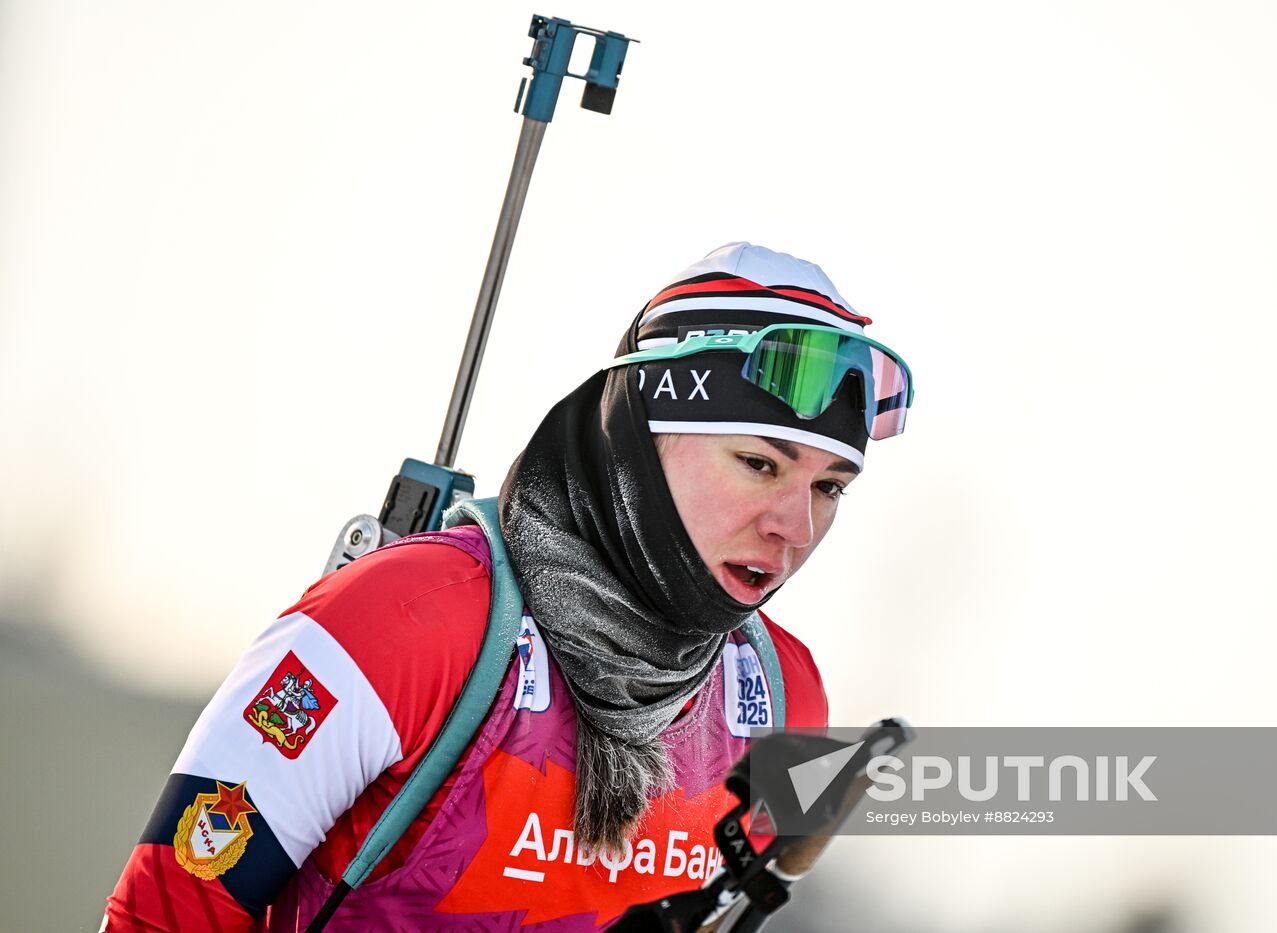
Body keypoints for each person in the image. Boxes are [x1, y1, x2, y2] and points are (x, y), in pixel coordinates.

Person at [102, 242, 914, 931]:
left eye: (829, 487)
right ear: (639, 438)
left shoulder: (779, 694)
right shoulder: (411, 620)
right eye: (760, 464)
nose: (795, 526)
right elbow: (162, 912)